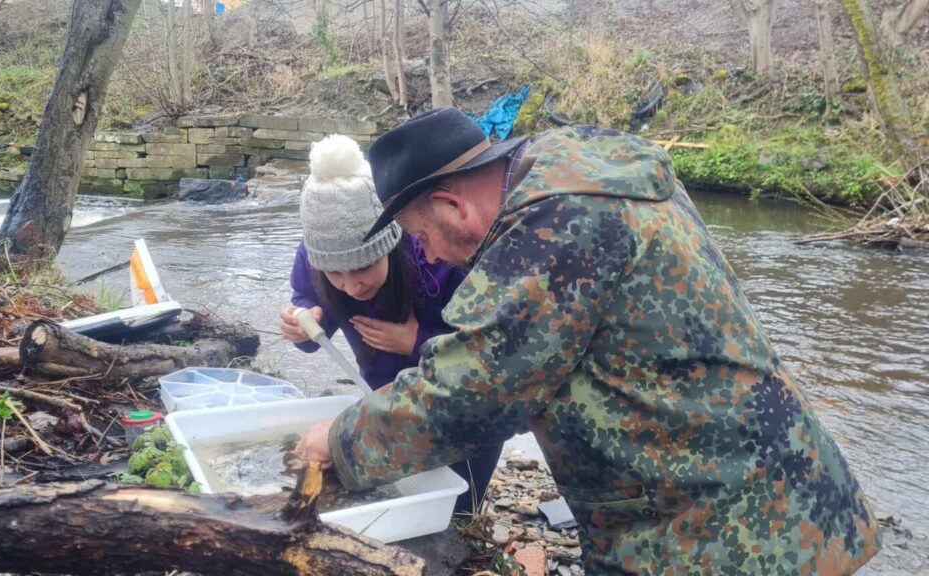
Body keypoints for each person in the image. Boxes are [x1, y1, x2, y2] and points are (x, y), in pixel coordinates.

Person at [297, 109, 881, 574]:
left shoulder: (554, 231)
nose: (424, 255)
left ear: (454, 205)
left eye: (422, 236)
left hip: (729, 532)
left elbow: (470, 393)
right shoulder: (584, 177)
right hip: (764, 488)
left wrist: (342, 440)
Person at [279, 134, 502, 513]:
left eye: (363, 267)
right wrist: (303, 324)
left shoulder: (437, 256)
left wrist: (417, 341)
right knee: (386, 496)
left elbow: (490, 358)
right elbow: (310, 306)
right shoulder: (315, 255)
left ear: (388, 243)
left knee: (459, 505)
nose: (350, 285)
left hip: (463, 407)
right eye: (334, 274)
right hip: (381, 393)